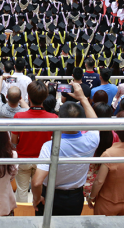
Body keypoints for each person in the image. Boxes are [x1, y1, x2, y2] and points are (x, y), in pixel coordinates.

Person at [32, 83, 99, 216]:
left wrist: (36, 198)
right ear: (82, 121)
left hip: (50, 195)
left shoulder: (50, 146)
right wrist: (83, 98)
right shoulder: (92, 140)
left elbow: (37, 182)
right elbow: (95, 123)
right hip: (75, 198)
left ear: (59, 119)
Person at [11, 80, 58, 203]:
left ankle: (22, 213)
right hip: (43, 161)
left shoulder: (19, 117)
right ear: (45, 97)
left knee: (21, 190)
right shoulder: (54, 118)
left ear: (28, 97)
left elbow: (13, 141)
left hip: (23, 159)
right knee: (40, 190)